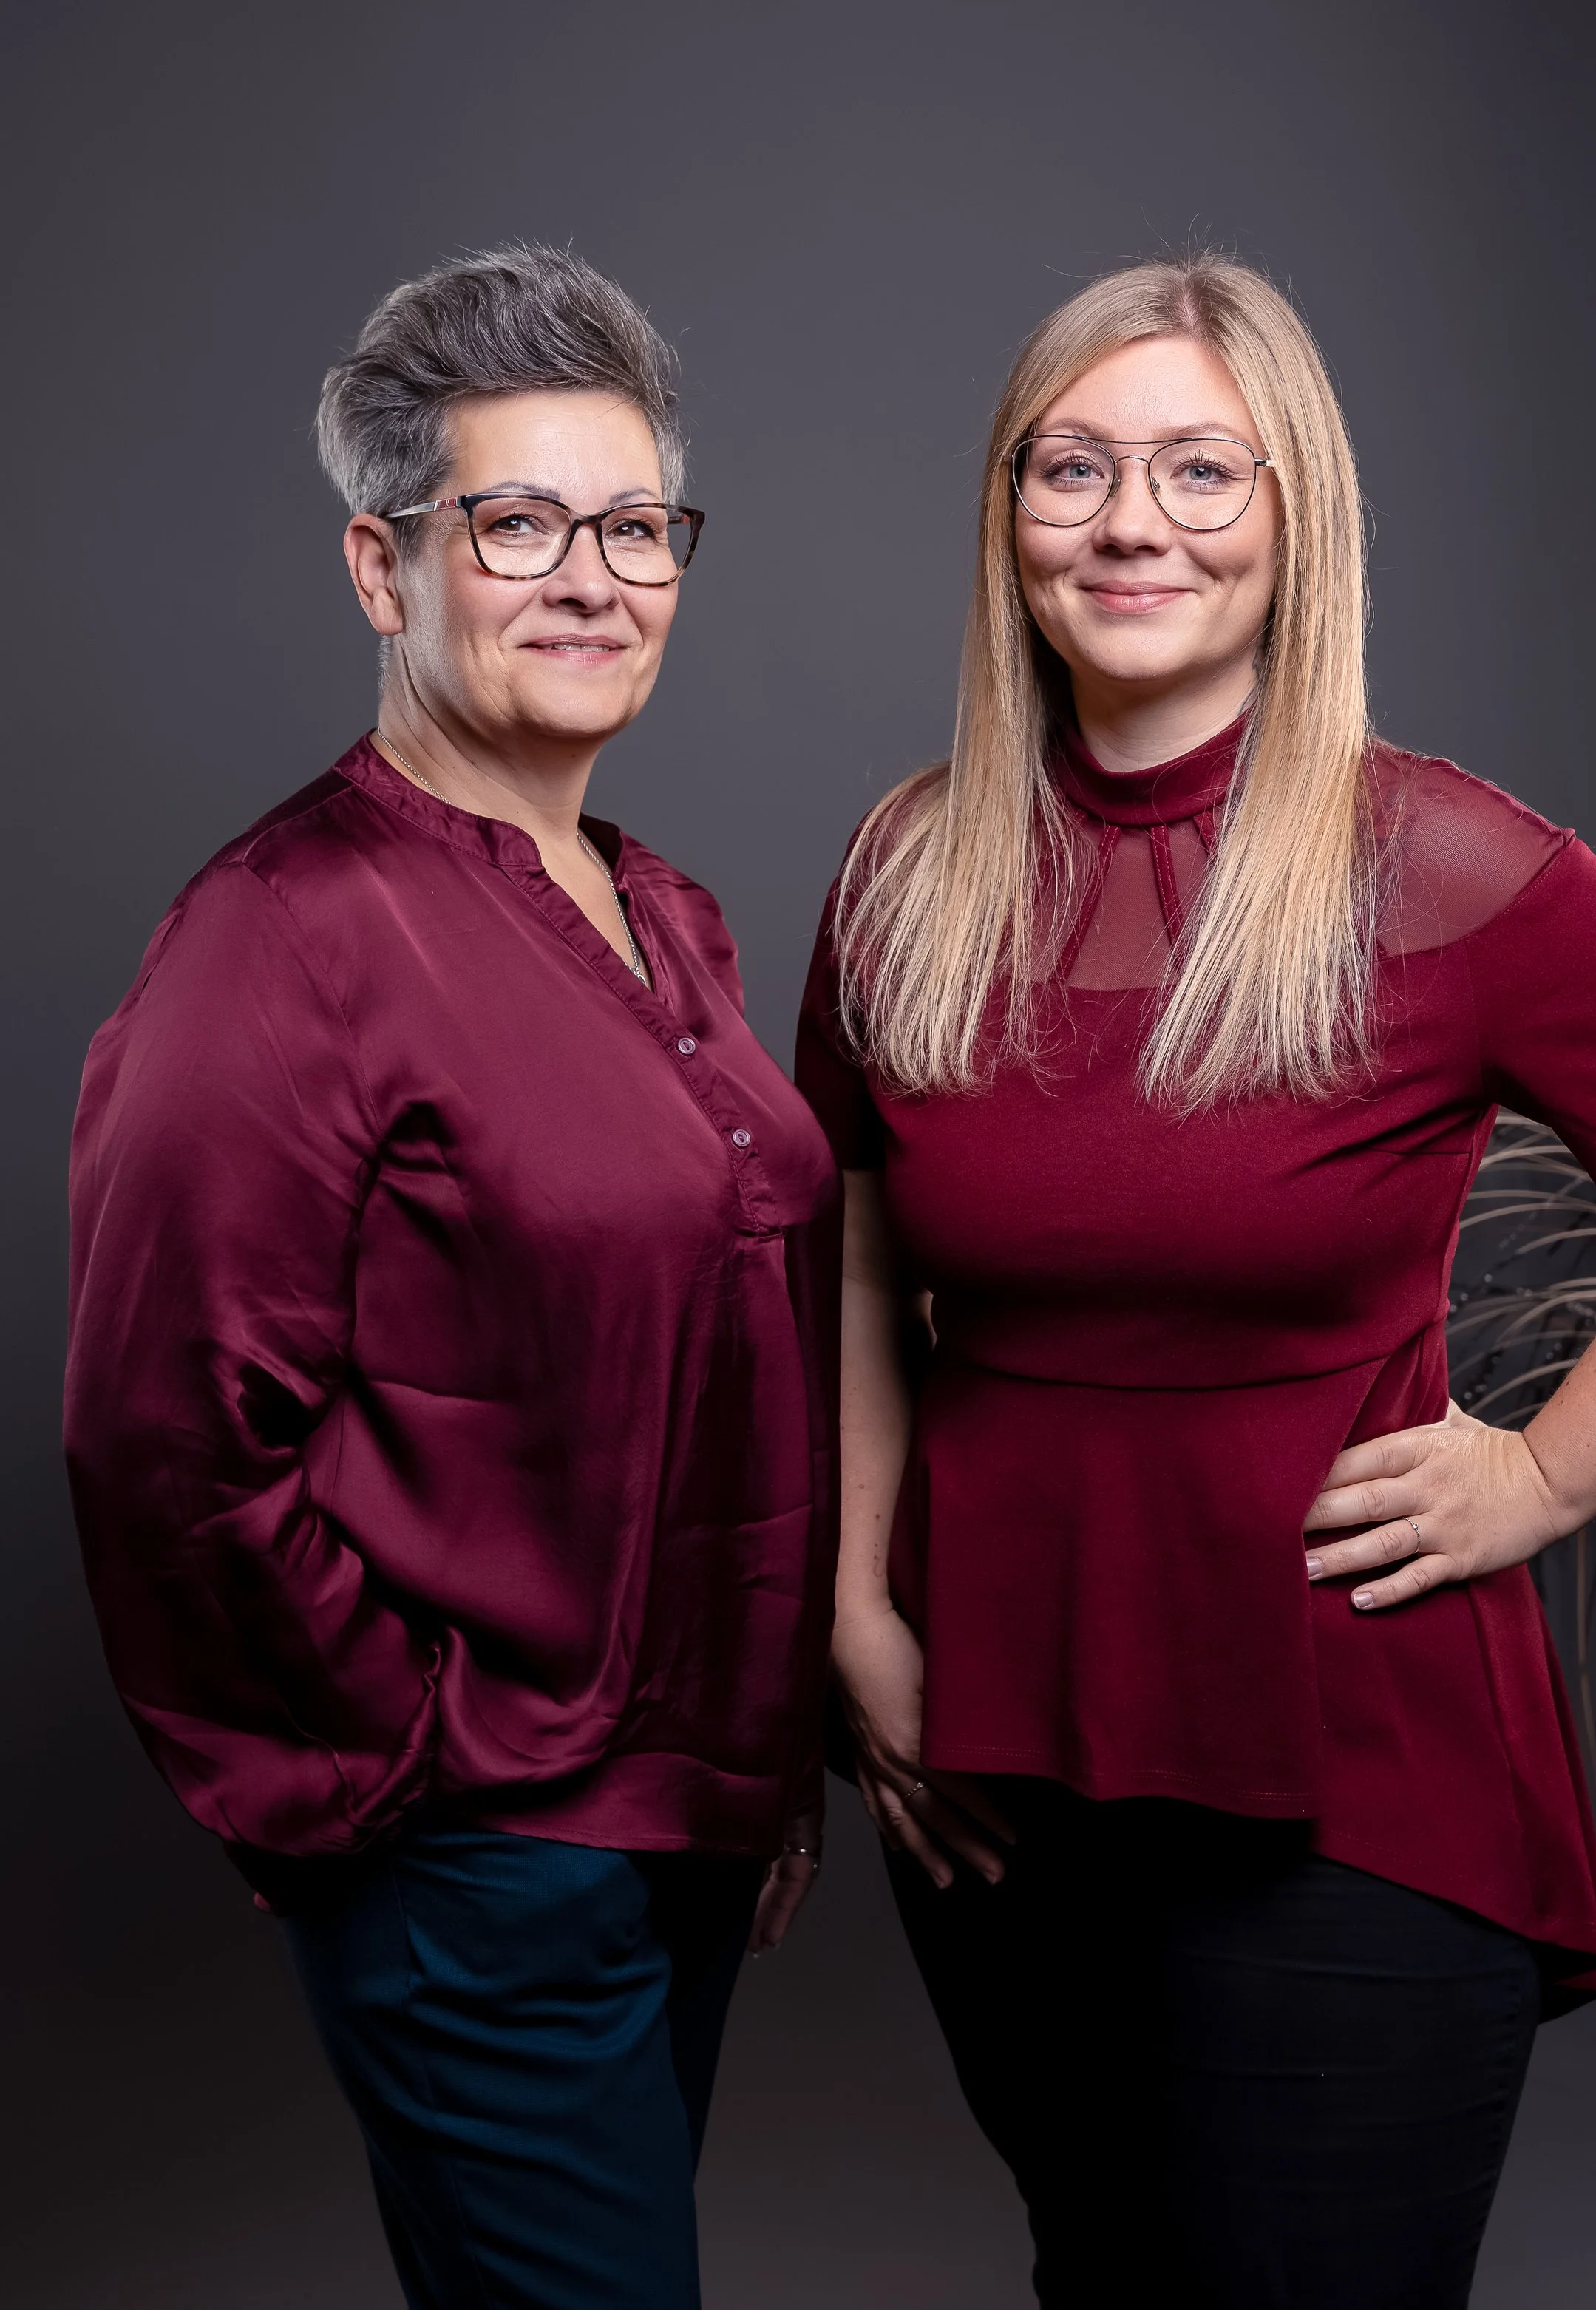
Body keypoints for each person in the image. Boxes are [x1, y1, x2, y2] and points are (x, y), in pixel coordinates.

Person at [795, 254, 1596, 2309]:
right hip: (999, 1744)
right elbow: (850, 1214)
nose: (1130, 521)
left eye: (1203, 467)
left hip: (1345, 1757)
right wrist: (854, 1604)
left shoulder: (1436, 869)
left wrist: (1541, 1474)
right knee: (1101, 2273)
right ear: (1004, 511)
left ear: (1297, 522)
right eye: (1072, 464)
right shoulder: (901, 870)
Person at [65, 245, 838, 2310]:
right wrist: (404, 1773)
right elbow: (163, 1444)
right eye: (516, 522)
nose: (592, 576)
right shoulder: (283, 934)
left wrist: (747, 1763)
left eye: (637, 525)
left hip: (677, 1830)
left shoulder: (663, 911)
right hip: (479, 1850)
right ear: (381, 565)